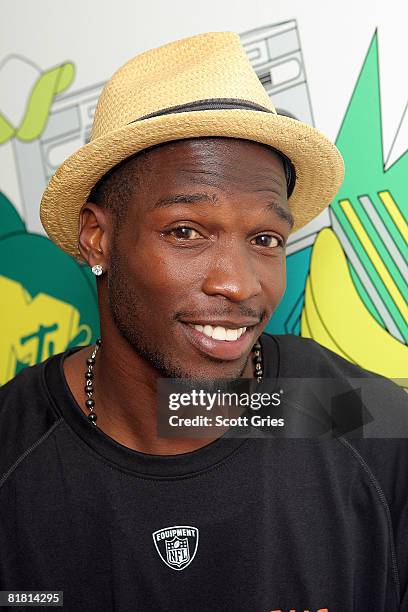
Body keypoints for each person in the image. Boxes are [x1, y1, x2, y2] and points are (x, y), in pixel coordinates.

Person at [0, 32, 407, 612]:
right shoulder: (15, 453)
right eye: (186, 231)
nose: (238, 283)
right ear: (98, 237)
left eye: (265, 239)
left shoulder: (348, 417)